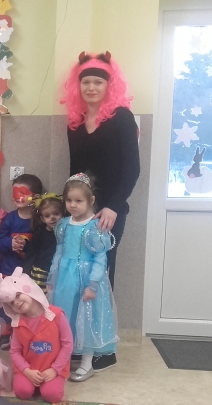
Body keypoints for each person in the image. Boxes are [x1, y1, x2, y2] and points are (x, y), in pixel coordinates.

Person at [63, 51, 140, 288]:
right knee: (77, 270)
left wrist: (113, 206)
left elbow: (132, 168)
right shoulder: (75, 122)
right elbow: (75, 171)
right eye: (85, 82)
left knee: (101, 273)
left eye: (98, 82)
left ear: (109, 85)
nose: (91, 87)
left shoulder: (122, 118)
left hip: (110, 210)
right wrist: (69, 204)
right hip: (81, 207)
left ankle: (102, 314)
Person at [47, 174, 119, 381]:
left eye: (78, 201)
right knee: (65, 317)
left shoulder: (95, 227)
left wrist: (93, 284)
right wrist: (52, 277)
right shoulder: (63, 225)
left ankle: (87, 364)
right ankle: (64, 360)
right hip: (65, 279)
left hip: (87, 280)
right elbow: (59, 252)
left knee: (86, 320)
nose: (72, 205)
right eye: (69, 200)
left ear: (91, 200)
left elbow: (100, 257)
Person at [0, 267, 73, 403]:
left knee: (52, 395)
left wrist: (55, 370)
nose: (16, 302)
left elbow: (67, 344)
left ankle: (51, 383)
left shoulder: (56, 315)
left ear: (30, 289)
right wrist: (26, 371)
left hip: (52, 368)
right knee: (22, 392)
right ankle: (35, 384)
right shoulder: (18, 323)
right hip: (29, 369)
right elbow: (15, 351)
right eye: (11, 303)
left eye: (18, 295)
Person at [0, 173, 43, 350]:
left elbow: (42, 244)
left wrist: (26, 245)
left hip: (29, 271)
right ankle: (7, 333)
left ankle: (27, 333)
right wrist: (10, 243)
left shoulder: (39, 219)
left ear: (35, 196)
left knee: (28, 301)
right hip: (9, 268)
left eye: (22, 193)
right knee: (9, 301)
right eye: (15, 193)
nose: (17, 197)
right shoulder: (10, 218)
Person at [22, 194, 65, 293]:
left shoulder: (66, 232)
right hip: (40, 272)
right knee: (40, 296)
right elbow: (31, 254)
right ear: (42, 219)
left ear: (62, 213)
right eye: (47, 216)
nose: (52, 218)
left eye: (56, 213)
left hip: (59, 272)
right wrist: (26, 273)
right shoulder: (40, 233)